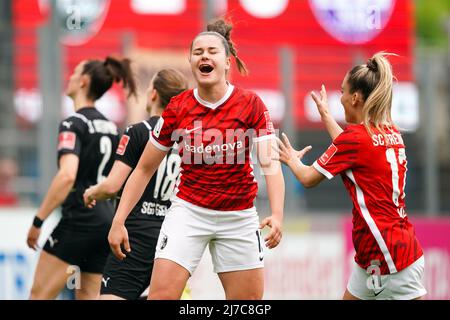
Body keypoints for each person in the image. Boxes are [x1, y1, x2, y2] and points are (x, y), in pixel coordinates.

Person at [108, 18, 285, 300]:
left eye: (213, 51)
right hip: (189, 211)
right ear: (191, 63)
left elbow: (270, 166)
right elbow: (143, 169)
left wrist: (277, 214)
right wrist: (119, 220)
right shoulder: (178, 108)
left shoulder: (251, 104)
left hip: (238, 216)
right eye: (197, 52)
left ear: (228, 62)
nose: (204, 56)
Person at [276, 52, 426, 300]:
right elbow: (353, 150)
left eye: (343, 91)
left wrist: (292, 159)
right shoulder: (390, 132)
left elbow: (308, 178)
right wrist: (326, 115)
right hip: (377, 255)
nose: (341, 97)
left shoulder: (356, 139)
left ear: (355, 97)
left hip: (390, 259)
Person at [26, 56, 137, 300]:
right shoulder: (112, 127)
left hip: (79, 219)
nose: (71, 77)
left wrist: (38, 221)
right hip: (105, 223)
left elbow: (67, 176)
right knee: (88, 296)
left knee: (39, 295)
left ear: (84, 81)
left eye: (75, 72)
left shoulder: (74, 123)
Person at [83, 68, 188, 300]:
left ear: (153, 94)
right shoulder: (188, 140)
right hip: (173, 240)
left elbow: (112, 185)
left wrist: (91, 192)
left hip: (134, 239)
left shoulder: (139, 132)